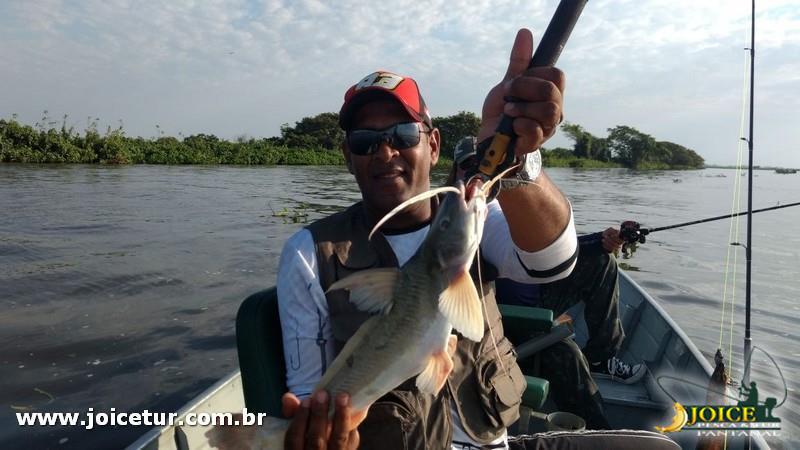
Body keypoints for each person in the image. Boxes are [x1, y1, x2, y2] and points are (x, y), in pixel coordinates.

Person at [276, 29, 678, 450]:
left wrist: (517, 160)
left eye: (404, 134)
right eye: (365, 141)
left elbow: (552, 261)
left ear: (433, 145)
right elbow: (307, 394)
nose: (385, 152)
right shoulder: (310, 253)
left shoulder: (476, 217)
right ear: (347, 158)